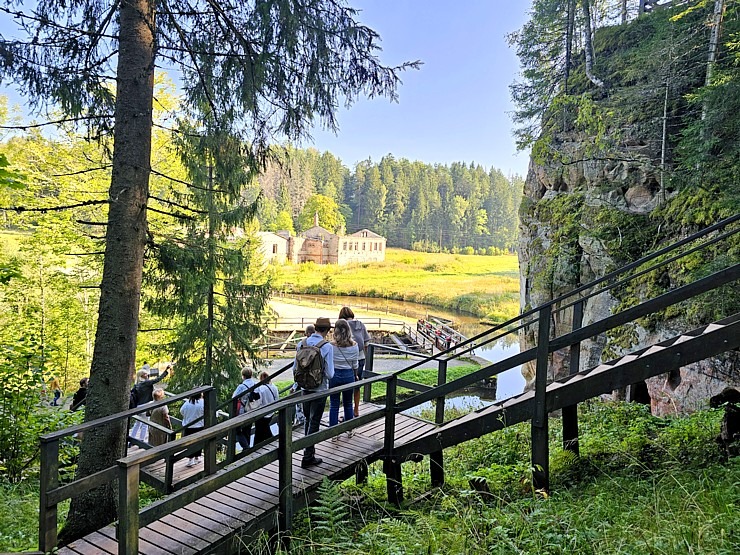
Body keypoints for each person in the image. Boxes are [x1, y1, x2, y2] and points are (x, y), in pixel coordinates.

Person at [295, 316, 334, 468]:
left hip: (305, 388)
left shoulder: (301, 343)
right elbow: (330, 374)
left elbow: (294, 369)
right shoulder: (326, 347)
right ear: (328, 330)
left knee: (307, 420)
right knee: (314, 422)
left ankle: (307, 452)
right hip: (320, 389)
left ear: (315, 327)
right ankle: (308, 456)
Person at [329, 318, 359, 440]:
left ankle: (333, 433)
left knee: (334, 404)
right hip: (348, 375)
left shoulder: (331, 346)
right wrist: (355, 375)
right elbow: (355, 365)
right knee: (348, 403)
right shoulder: (354, 346)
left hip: (334, 375)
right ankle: (350, 429)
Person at [339, 306, 371, 417]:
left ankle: (346, 413)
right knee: (357, 385)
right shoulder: (360, 324)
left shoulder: (342, 325)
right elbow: (366, 343)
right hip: (361, 358)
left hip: (347, 360)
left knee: (346, 386)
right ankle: (356, 410)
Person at [130, 366, 169, 442]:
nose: (147, 375)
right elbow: (157, 379)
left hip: (138, 406)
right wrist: (166, 371)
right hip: (146, 405)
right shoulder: (146, 383)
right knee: (145, 424)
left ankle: (131, 439)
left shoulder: (137, 385)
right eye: (145, 374)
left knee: (137, 423)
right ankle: (141, 440)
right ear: (141, 375)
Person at [233, 367, 257, 451]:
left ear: (243, 376)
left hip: (243, 410)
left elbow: (234, 397)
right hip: (252, 409)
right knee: (247, 429)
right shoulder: (255, 384)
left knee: (237, 430)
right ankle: (247, 448)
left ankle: (246, 448)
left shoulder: (242, 386)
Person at [253, 371, 279, 444]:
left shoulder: (260, 388)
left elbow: (258, 402)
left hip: (262, 413)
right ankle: (269, 443)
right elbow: (277, 399)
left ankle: (258, 447)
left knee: (259, 431)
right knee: (263, 429)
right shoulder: (274, 387)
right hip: (271, 412)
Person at [180, 392, 204, 467]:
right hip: (199, 426)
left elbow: (181, 411)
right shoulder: (202, 402)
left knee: (190, 443)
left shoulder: (187, 403)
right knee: (198, 443)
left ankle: (191, 459)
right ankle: (196, 457)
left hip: (188, 426)